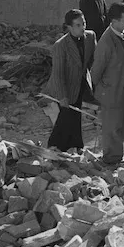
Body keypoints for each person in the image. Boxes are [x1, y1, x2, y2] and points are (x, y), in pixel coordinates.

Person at [42, 9, 97, 153]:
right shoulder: (61, 45)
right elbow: (58, 74)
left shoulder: (90, 37)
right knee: (66, 114)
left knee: (76, 113)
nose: (82, 28)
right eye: (78, 25)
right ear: (69, 27)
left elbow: (93, 60)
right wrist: (62, 96)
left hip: (81, 82)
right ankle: (55, 145)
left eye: (83, 23)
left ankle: (76, 144)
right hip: (65, 84)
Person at [90, 2, 124, 167]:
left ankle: (120, 151)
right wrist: (92, 94)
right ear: (114, 21)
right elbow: (96, 70)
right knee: (112, 124)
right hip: (111, 90)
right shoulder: (106, 41)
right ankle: (111, 158)